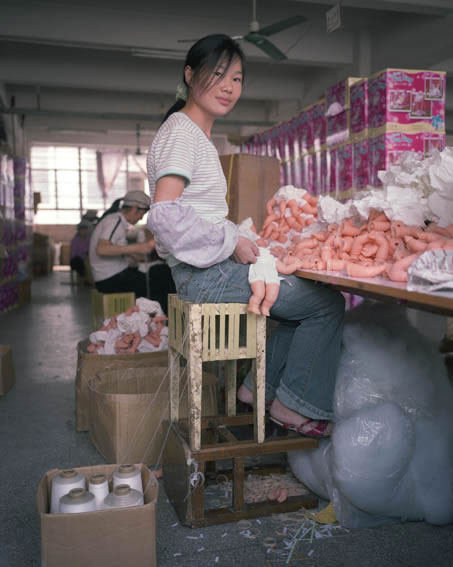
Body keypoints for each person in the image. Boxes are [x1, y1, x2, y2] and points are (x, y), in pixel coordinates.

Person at [146, 34, 345, 438]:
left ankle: (259, 391)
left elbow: (196, 214)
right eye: (216, 74)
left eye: (236, 78)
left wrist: (243, 238)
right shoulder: (183, 132)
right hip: (204, 277)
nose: (228, 87)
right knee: (325, 304)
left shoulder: (193, 134)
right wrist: (231, 242)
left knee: (297, 301)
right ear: (189, 75)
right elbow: (164, 216)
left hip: (205, 270)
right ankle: (292, 406)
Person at [89, 190, 175, 313]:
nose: (140, 218)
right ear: (135, 209)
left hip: (111, 276)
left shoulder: (118, 222)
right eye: (142, 214)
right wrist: (139, 247)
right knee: (161, 278)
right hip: (110, 279)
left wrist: (137, 255)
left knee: (158, 271)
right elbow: (101, 249)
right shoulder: (115, 220)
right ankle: (163, 319)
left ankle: (159, 318)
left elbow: (117, 248)